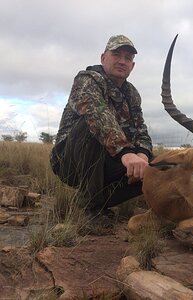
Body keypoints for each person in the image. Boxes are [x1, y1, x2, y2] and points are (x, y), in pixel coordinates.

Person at [50, 35, 153, 218]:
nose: (122, 61)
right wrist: (126, 154)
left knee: (154, 170)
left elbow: (141, 131)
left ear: (133, 66)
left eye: (128, 58)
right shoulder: (87, 79)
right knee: (90, 127)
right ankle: (90, 208)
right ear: (103, 57)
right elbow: (97, 116)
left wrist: (143, 156)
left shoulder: (132, 93)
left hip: (109, 160)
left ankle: (92, 200)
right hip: (70, 161)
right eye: (116, 54)